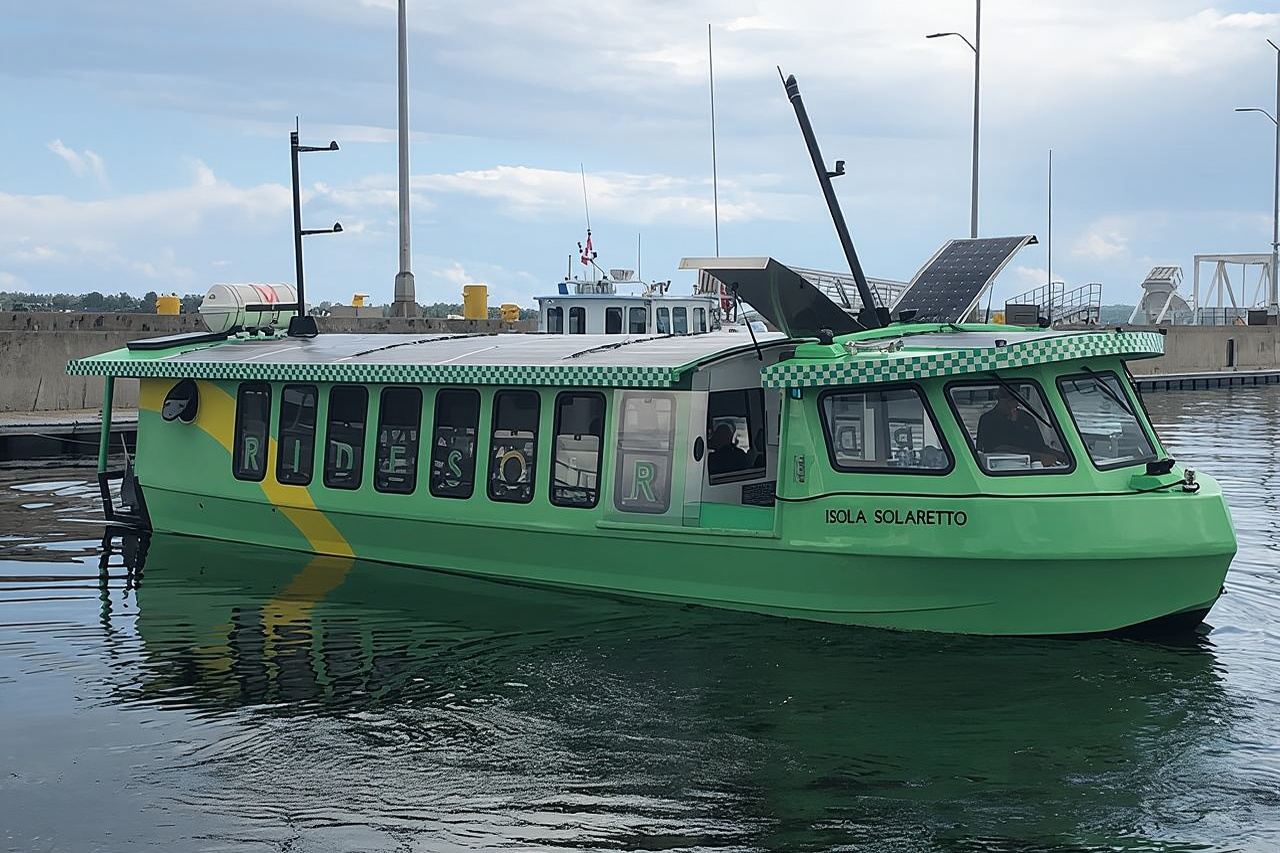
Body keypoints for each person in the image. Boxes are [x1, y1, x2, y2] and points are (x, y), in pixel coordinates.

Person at [976, 388, 1064, 466]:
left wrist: (1060, 455)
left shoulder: (1027, 418)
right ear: (1000, 399)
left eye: (1017, 400)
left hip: (1037, 465)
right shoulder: (987, 420)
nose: (1015, 403)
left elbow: (1040, 446)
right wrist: (1038, 457)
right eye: (1011, 400)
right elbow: (997, 449)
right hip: (1003, 467)